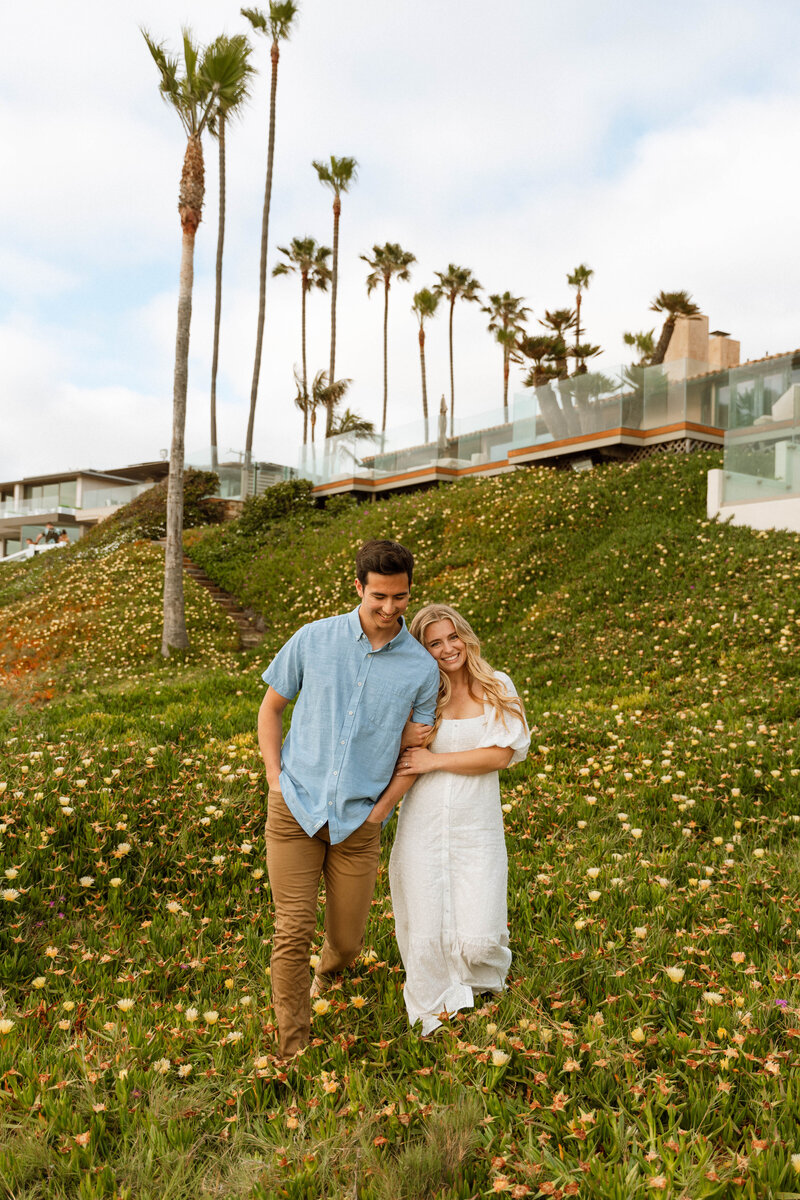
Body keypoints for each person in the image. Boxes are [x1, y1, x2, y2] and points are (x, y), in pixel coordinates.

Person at [258, 539, 440, 1058]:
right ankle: (292, 1047)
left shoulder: (422, 670)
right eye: (379, 596)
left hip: (359, 821)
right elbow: (270, 710)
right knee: (292, 930)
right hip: (294, 807)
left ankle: (330, 975)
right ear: (358, 587)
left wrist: (381, 813)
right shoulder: (312, 640)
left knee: (348, 940)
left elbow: (414, 752)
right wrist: (275, 777)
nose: (389, 609)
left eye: (400, 598)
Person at [389, 603, 530, 1035]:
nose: (448, 648)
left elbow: (501, 754)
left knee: (481, 930)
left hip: (476, 822)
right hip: (423, 822)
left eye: (453, 637)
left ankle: (479, 981)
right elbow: (393, 754)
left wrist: (434, 761)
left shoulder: (497, 686)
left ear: (467, 637)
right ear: (423, 650)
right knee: (426, 914)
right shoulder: (420, 695)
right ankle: (437, 995)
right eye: (435, 643)